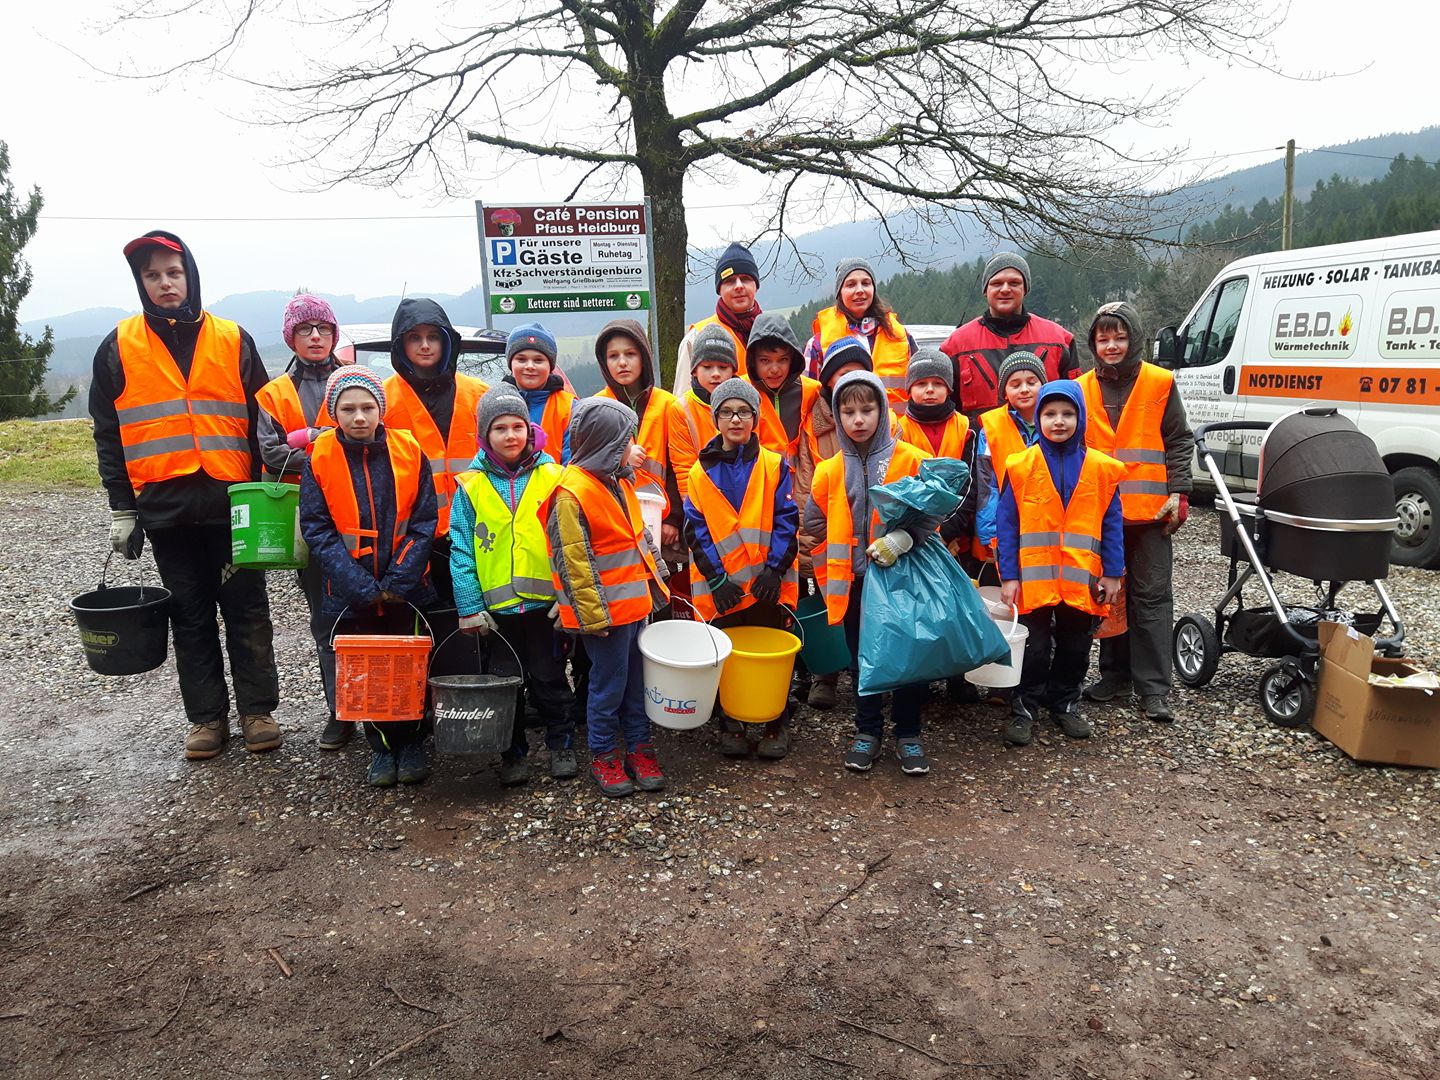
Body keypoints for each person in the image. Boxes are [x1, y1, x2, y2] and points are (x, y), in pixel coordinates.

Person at [89, 230, 281, 761]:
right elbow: (109, 433)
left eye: (173, 272)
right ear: (141, 282)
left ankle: (258, 712)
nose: (165, 283)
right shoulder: (119, 345)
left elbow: (263, 422)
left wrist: (268, 491)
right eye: (153, 275)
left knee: (247, 612)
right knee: (190, 618)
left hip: (233, 507)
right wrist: (122, 508)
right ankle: (206, 720)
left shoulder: (232, 339)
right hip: (166, 511)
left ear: (190, 275)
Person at [299, 366, 439, 787]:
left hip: (406, 587)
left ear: (381, 409)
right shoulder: (319, 457)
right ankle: (379, 746)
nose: (358, 417)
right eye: (347, 409)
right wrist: (357, 584)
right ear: (333, 412)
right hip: (350, 590)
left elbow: (424, 519)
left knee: (412, 666)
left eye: (367, 407)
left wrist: (399, 579)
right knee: (367, 671)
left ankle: (413, 741)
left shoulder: (410, 451)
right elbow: (317, 528)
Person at [804, 370, 936, 775]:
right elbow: (813, 521)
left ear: (882, 409)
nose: (858, 419)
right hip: (855, 583)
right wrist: (845, 544)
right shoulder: (828, 470)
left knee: (909, 657)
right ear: (838, 417)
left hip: (902, 579)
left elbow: (934, 512)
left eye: (867, 409)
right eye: (848, 411)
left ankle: (909, 733)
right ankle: (868, 730)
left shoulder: (910, 459)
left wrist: (903, 539)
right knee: (864, 659)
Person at [542, 398, 671, 797]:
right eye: (624, 441)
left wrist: (658, 583)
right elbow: (573, 562)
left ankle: (638, 746)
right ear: (605, 444)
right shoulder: (570, 494)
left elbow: (639, 538)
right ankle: (603, 752)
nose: (632, 448)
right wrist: (591, 618)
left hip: (634, 608)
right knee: (608, 684)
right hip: (605, 617)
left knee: (635, 680)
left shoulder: (620, 483)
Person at [450, 387, 576, 785]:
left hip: (543, 608)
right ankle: (513, 753)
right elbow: (461, 549)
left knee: (551, 679)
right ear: (484, 435)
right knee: (506, 686)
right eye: (499, 428)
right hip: (497, 615)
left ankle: (562, 745)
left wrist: (568, 597)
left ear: (530, 429)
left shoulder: (553, 476)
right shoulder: (470, 485)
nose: (510, 435)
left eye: (517, 426)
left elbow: (569, 543)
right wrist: (470, 607)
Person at [1077, 302, 1194, 723]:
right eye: (1103, 338)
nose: (1111, 345)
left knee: (1152, 597)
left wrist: (1179, 492)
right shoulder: (1081, 386)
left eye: (1120, 337)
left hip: (1150, 515)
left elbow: (1179, 440)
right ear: (1093, 343)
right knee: (1109, 595)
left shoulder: (1160, 382)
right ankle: (1114, 675)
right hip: (1101, 514)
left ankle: (1154, 688)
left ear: (1135, 339)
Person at [996, 381, 1124, 746]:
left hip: (1082, 579)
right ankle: (1024, 708)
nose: (1059, 421)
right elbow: (1007, 525)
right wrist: (1009, 577)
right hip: (1034, 580)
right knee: (1033, 648)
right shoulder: (1020, 466)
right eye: (1050, 414)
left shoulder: (1101, 468)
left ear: (1081, 417)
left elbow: (1112, 523)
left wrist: (1113, 573)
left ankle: (1065, 703)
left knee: (1076, 646)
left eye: (1068, 413)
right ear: (1038, 418)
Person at [684, 377, 800, 758]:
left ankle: (775, 723)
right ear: (716, 418)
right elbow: (695, 529)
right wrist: (716, 578)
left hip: (766, 584)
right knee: (726, 651)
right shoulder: (699, 472)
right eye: (727, 412)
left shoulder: (772, 465)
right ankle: (730, 721)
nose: (736, 419)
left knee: (772, 652)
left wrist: (775, 569)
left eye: (744, 411)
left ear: (756, 417)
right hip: (723, 589)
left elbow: (786, 517)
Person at [256, 293, 353, 749]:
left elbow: (377, 436)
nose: (315, 337)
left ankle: (383, 705)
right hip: (308, 523)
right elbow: (272, 453)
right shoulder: (273, 394)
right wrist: (333, 443)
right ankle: (340, 712)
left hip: (362, 514)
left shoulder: (359, 382)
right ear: (290, 337)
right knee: (326, 621)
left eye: (323, 328)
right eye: (304, 329)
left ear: (334, 334)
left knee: (376, 614)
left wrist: (310, 439)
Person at [382, 298, 486, 643]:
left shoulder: (480, 394)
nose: (425, 345)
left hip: (476, 528)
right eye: (414, 337)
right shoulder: (381, 399)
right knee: (422, 630)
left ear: (447, 341)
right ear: (400, 344)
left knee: (480, 623)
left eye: (433, 336)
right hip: (412, 534)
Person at [794, 334, 874, 710]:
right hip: (833, 546)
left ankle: (875, 682)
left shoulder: (886, 426)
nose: (847, 379)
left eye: (856, 371)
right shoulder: (817, 422)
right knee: (827, 607)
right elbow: (808, 482)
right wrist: (817, 541)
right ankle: (826, 676)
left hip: (876, 552)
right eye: (839, 374)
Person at [594, 319, 697, 558]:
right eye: (613, 356)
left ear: (644, 358)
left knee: (664, 585)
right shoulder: (597, 406)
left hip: (660, 519)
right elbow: (588, 466)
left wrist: (672, 517)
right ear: (603, 361)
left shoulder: (667, 403)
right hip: (615, 519)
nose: (622, 362)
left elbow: (678, 465)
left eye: (630, 354)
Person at [940, 252, 1079, 422]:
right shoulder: (956, 345)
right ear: (986, 290)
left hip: (1044, 446)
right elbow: (943, 413)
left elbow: (1076, 405)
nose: (1005, 289)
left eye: (1014, 283)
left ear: (1025, 288)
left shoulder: (1059, 340)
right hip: (980, 446)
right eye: (997, 283)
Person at [895, 347, 986, 569]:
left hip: (958, 539)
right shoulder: (898, 430)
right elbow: (899, 488)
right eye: (921, 384)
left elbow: (971, 488)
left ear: (949, 388)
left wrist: (947, 531)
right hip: (912, 541)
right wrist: (921, 533)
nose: (929, 390)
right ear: (909, 389)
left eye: (937, 384)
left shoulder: (967, 428)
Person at [805, 258, 916, 416]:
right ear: (839, 292)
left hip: (896, 434)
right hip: (842, 435)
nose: (860, 290)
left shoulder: (901, 336)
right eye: (850, 284)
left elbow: (919, 386)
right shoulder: (817, 344)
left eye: (866, 283)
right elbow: (808, 398)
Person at [975, 351, 1047, 557]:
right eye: (1015, 385)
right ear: (1004, 392)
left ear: (1043, 385)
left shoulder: (1058, 421)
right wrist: (990, 534)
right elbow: (988, 486)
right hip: (1009, 526)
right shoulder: (991, 429)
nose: (1024, 389)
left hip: (1050, 525)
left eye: (1032, 382)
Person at [672, 242, 762, 395]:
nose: (739, 286)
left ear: (756, 285)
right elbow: (683, 403)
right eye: (730, 281)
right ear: (719, 289)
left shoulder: (773, 331)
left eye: (745, 279)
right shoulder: (696, 337)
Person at [746, 313, 820, 463]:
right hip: (756, 482)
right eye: (765, 360)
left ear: (792, 359)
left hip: (800, 481)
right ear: (753, 360)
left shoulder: (812, 391)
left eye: (782, 360)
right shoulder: (742, 391)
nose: (775, 369)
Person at [501, 322, 574, 464]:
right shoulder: (494, 404)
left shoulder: (570, 408)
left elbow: (573, 465)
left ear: (550, 366)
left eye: (538, 360)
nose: (530, 366)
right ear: (510, 364)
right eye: (521, 359)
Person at [679, 324, 740, 451]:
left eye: (723, 367)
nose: (716, 374)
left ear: (733, 371)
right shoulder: (680, 409)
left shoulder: (750, 403)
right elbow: (683, 467)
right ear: (694, 370)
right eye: (707, 367)